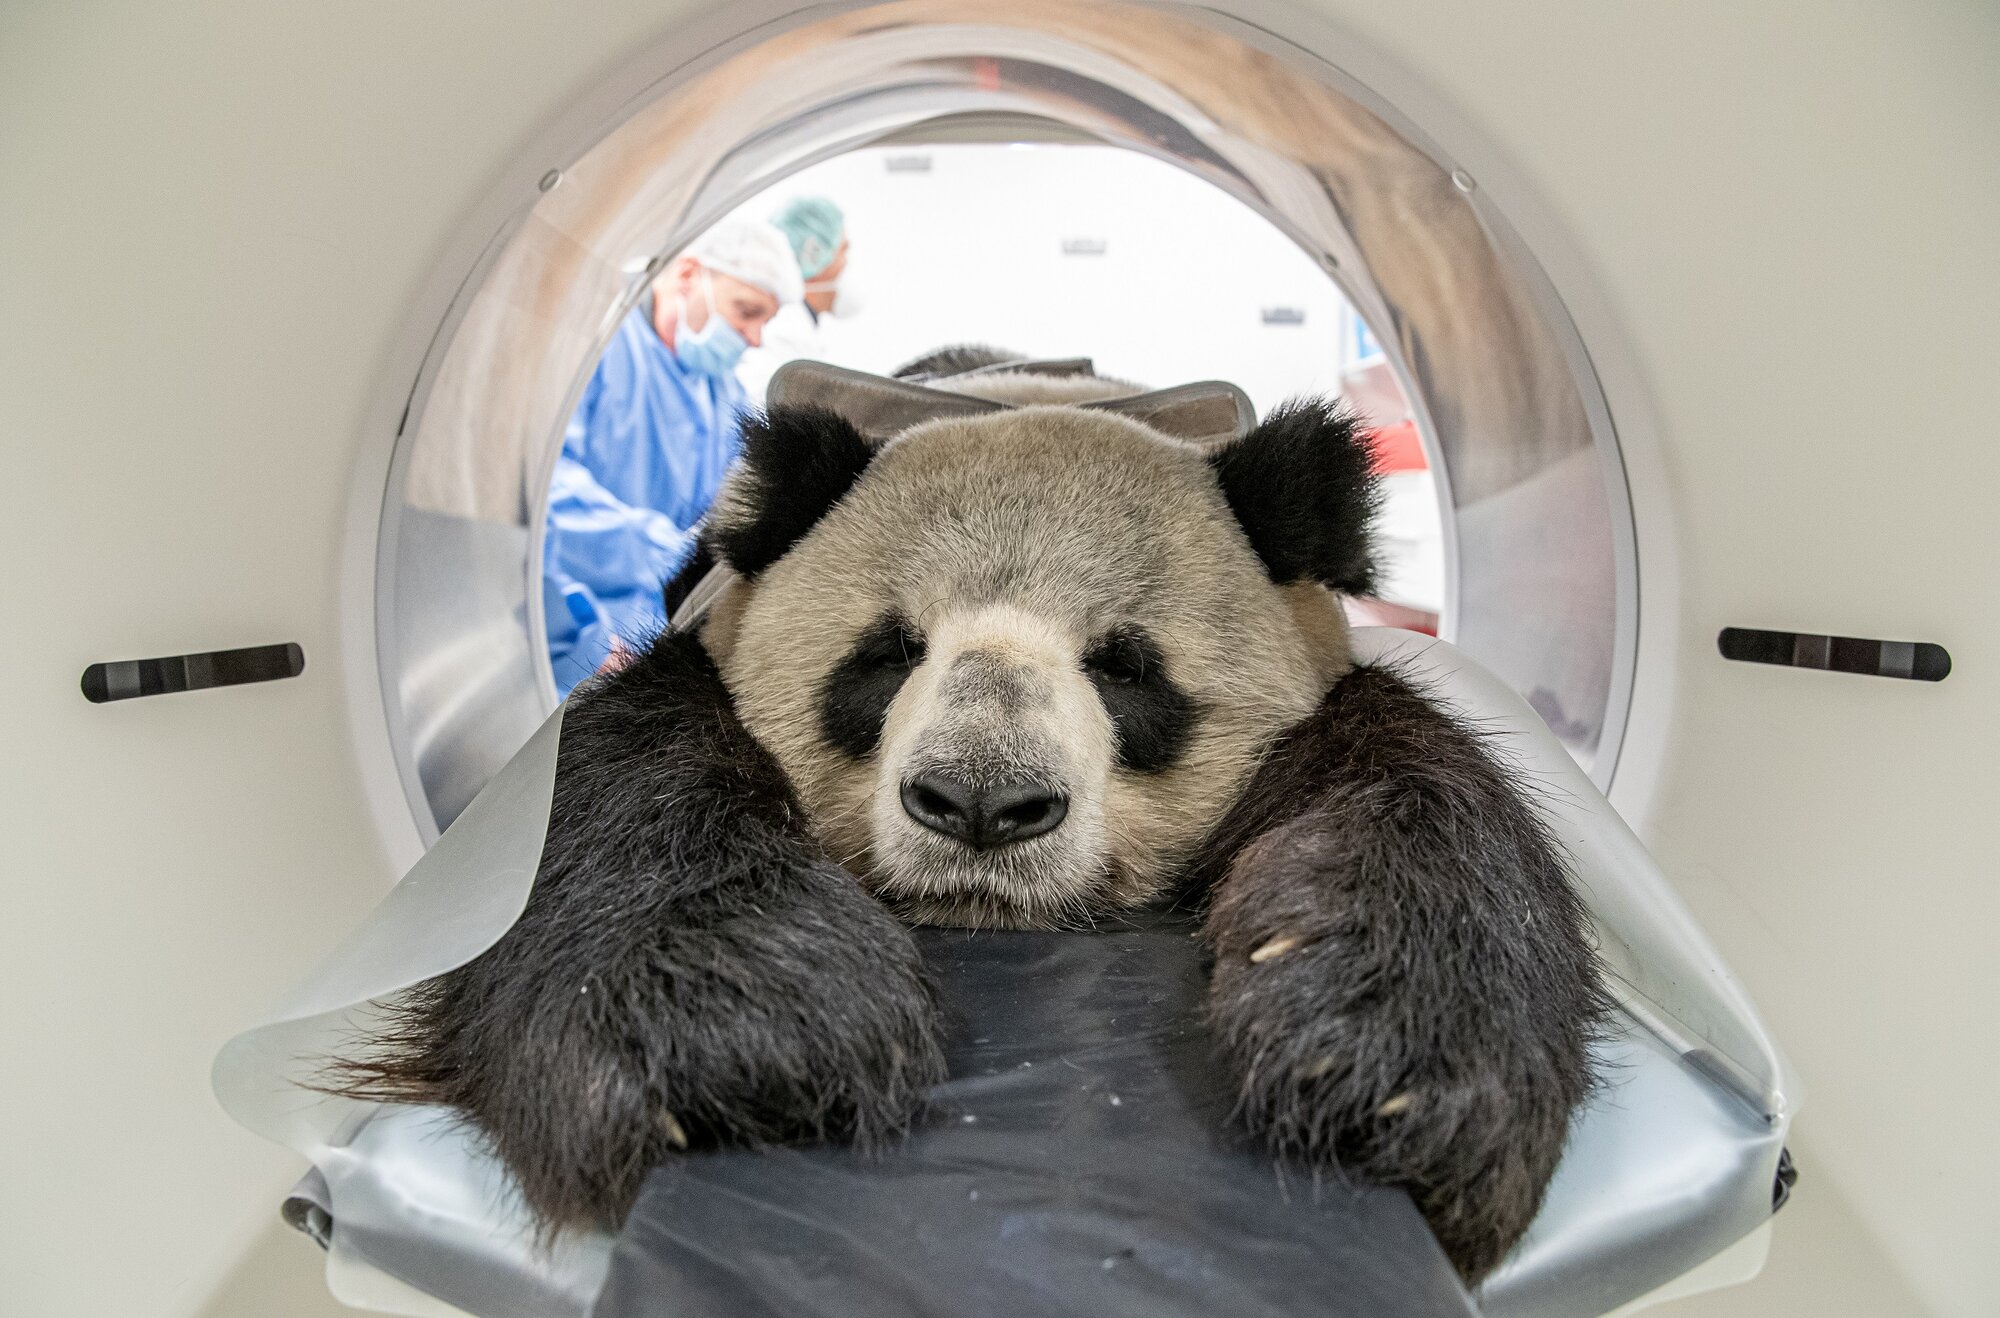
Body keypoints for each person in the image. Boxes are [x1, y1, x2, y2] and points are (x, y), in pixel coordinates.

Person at [543, 217, 802, 695]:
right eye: (746, 312)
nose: (755, 337)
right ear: (687, 277)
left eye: (765, 321)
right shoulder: (594, 351)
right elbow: (545, 498)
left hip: (657, 637)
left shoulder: (724, 395)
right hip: (563, 633)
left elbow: (722, 523)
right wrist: (664, 555)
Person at [738, 196, 865, 402]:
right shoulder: (784, 327)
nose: (847, 263)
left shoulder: (798, 325)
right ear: (813, 255)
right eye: (843, 250)